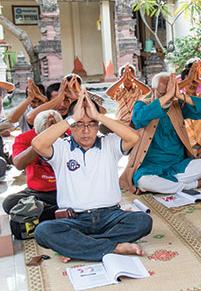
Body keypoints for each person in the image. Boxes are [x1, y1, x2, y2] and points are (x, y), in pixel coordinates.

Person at [32, 89, 151, 263]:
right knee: (43, 231)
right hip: (76, 220)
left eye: (92, 124)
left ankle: (80, 247)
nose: (86, 130)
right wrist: (72, 117)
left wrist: (99, 116)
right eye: (80, 124)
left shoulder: (109, 143)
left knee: (143, 221)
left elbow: (134, 136)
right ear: (70, 125)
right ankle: (114, 247)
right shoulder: (60, 147)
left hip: (111, 216)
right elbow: (37, 143)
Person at [119, 73, 201, 194]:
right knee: (143, 180)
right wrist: (167, 96)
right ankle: (192, 184)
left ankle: (166, 185)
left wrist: (179, 95)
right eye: (163, 94)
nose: (168, 98)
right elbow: (139, 118)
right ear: (153, 91)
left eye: (170, 93)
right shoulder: (143, 105)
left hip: (177, 165)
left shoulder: (177, 106)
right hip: (150, 167)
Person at [2, 110, 62, 223]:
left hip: (64, 191)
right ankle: (57, 212)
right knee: (9, 202)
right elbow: (18, 164)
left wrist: (58, 135)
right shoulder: (24, 138)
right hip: (36, 193)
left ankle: (39, 212)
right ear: (36, 130)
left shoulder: (66, 134)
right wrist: (42, 140)